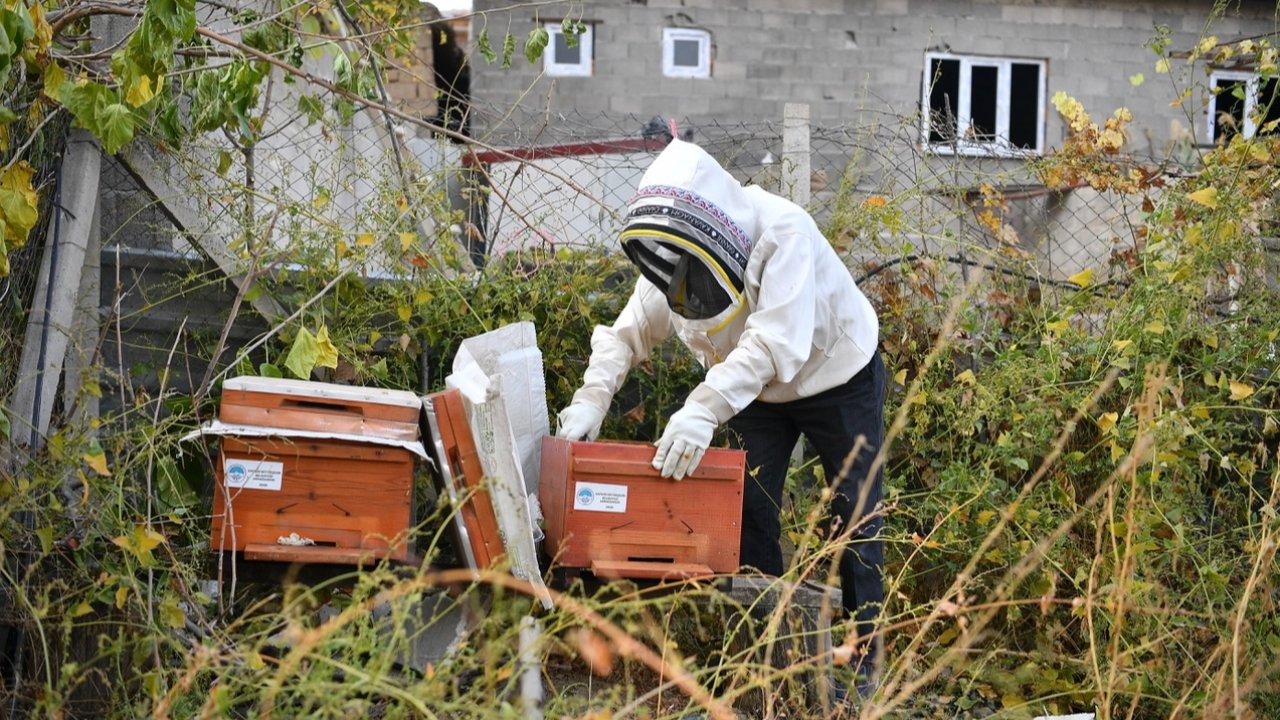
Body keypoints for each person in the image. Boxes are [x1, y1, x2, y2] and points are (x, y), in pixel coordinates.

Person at [555, 138, 886, 691]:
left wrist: (702, 409)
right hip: (751, 391)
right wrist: (592, 398)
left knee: (855, 511)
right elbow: (624, 335)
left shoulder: (784, 233)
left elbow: (775, 344)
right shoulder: (677, 258)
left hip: (837, 374)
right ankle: (765, 657)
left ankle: (862, 665)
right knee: (748, 511)